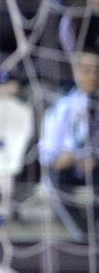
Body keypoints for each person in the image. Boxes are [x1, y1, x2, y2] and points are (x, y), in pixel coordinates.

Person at [39, 50, 99, 233]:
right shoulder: (63, 107)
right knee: (54, 182)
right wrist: (62, 158)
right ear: (76, 72)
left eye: (97, 70)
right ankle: (82, 234)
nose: (93, 76)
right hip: (69, 169)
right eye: (87, 70)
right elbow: (46, 150)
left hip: (96, 168)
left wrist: (95, 158)